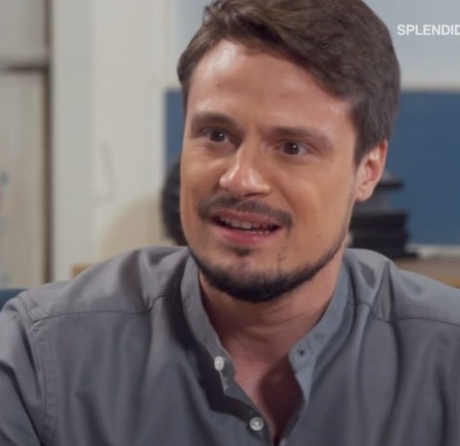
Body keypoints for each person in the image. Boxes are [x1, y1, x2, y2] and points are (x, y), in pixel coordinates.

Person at [1, 0, 460, 445]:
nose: (240, 179)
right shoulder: (42, 358)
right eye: (216, 135)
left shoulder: (446, 359)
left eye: (292, 147)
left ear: (369, 170)